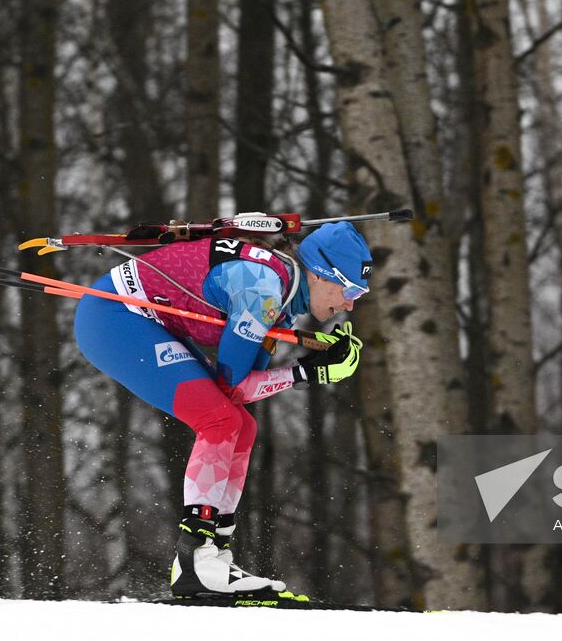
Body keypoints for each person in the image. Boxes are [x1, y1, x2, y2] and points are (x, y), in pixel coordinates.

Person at [72, 221, 371, 599]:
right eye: (350, 289)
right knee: (219, 420)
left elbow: (240, 392)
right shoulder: (262, 291)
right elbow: (235, 386)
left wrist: (307, 368)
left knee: (240, 425)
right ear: (321, 273)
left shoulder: (282, 304)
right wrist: (306, 372)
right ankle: (195, 559)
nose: (350, 303)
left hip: (148, 320)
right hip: (114, 318)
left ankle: (213, 556)